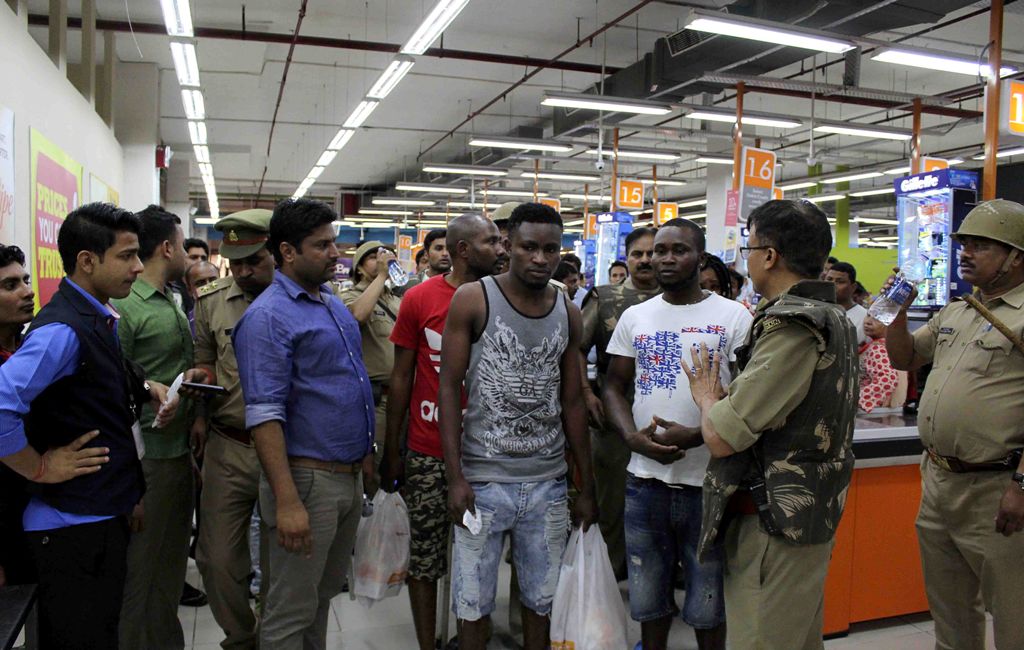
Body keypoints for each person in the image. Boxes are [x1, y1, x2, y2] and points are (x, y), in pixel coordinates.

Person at [683, 199, 858, 650]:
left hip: (773, 525)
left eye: (750, 245)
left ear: (770, 255)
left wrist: (706, 398)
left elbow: (723, 437)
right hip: (801, 514)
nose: (747, 256)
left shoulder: (793, 324)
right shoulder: (833, 315)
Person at [0, 203, 174, 650]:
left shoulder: (96, 317)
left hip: (94, 515)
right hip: (69, 528)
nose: (138, 267)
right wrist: (37, 466)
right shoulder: (62, 331)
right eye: (127, 255)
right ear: (87, 261)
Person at [439, 202, 597, 650]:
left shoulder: (567, 310)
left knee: (541, 605)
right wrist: (455, 477)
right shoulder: (474, 298)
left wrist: (585, 486)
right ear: (508, 246)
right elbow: (449, 388)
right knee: (472, 607)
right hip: (483, 480)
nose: (541, 259)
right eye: (529, 247)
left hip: (546, 482)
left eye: (551, 249)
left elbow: (572, 403)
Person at [234, 198, 376, 649]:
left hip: (345, 477)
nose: (335, 253)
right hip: (306, 482)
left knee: (319, 600)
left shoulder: (329, 304)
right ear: (287, 252)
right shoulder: (268, 317)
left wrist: (364, 457)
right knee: (288, 612)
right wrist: (287, 501)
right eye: (322, 245)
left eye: (334, 242)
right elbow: (264, 415)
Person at [604, 219, 751, 650]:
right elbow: (613, 385)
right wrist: (631, 437)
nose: (663, 259)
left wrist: (700, 434)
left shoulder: (733, 316)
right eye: (657, 251)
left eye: (677, 250)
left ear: (700, 258)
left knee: (707, 601)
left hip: (708, 482)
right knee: (648, 598)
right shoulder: (636, 316)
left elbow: (747, 396)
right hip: (644, 479)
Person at [886, 199, 1024, 650]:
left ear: (1016, 256)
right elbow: (904, 357)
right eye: (963, 244)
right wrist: (898, 310)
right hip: (940, 483)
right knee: (950, 612)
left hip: (998, 488)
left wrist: (1022, 486)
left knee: (1013, 616)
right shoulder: (959, 310)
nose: (965, 253)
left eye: (981, 246)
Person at [380, 213, 505, 650]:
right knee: (426, 555)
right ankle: (427, 642)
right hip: (428, 448)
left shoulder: (506, 297)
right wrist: (393, 450)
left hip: (490, 453)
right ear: (463, 250)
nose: (503, 249)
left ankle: (473, 635)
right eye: (492, 241)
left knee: (481, 556)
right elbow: (402, 377)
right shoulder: (420, 298)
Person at [114, 204, 210, 649]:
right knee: (142, 571)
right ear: (168, 247)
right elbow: (116, 383)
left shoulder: (173, 298)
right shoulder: (126, 306)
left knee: (171, 567)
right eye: (184, 247)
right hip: (146, 457)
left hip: (177, 453)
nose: (190, 259)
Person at [193, 209, 276, 650]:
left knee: (283, 558)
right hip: (231, 444)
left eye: (254, 260)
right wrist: (201, 382)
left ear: (279, 252)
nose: (243, 271)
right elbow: (206, 358)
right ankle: (243, 636)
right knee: (217, 560)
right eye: (236, 261)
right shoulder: (211, 300)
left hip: (286, 449)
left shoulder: (311, 300)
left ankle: (278, 635)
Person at [578, 226, 660, 578]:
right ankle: (607, 579)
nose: (645, 260)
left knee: (658, 507)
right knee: (611, 504)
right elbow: (576, 348)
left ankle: (655, 577)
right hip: (612, 419)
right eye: (637, 254)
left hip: (663, 421)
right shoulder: (606, 298)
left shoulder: (682, 300)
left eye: (651, 253)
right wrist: (585, 394)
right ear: (627, 258)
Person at [339, 241, 401, 463]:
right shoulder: (349, 295)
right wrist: (381, 277)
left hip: (402, 397)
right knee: (373, 465)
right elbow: (357, 316)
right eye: (374, 257)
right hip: (374, 400)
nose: (382, 259)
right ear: (359, 267)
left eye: (387, 255)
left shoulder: (396, 300)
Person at [0, 244, 36, 590]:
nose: (28, 291)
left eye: (24, 280)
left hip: (34, 511)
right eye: (10, 286)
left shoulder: (33, 351)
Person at [858, 315, 906, 413]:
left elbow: (887, 379)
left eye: (877, 319)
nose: (868, 322)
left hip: (874, 413)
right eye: (868, 315)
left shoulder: (878, 348)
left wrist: (860, 400)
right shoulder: (890, 345)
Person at [825, 261, 867, 345]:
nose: (832, 284)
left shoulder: (864, 318)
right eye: (829, 279)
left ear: (853, 287)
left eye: (840, 281)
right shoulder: (816, 310)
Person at [400, 229, 452, 294]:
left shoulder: (462, 287)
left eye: (449, 248)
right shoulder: (407, 285)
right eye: (438, 248)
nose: (445, 253)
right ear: (426, 254)